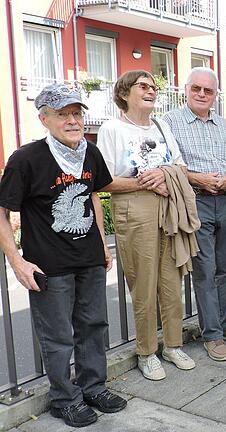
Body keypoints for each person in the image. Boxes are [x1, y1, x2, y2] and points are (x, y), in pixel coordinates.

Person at [0, 83, 127, 428]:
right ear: (44, 118)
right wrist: (17, 261)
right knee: (57, 336)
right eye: (62, 114)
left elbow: (93, 198)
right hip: (49, 265)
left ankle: (93, 387)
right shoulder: (25, 159)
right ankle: (63, 399)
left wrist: (102, 243)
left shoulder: (90, 152)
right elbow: (3, 211)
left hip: (89, 258)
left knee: (93, 326)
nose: (72, 121)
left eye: (76, 113)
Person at [98, 70, 197, 380]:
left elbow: (179, 165)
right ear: (125, 93)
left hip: (168, 208)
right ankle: (146, 351)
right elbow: (103, 182)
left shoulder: (161, 125)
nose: (151, 90)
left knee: (171, 282)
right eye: (143, 86)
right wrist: (147, 183)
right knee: (143, 284)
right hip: (134, 208)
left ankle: (172, 344)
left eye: (154, 86)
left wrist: (165, 175)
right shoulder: (112, 128)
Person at [164, 67, 226, 362]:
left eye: (208, 90)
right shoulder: (170, 122)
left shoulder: (223, 124)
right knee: (204, 269)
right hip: (196, 201)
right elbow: (170, 167)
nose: (202, 94)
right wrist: (200, 179)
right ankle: (212, 334)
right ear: (185, 89)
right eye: (196, 89)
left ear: (216, 94)